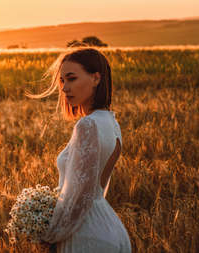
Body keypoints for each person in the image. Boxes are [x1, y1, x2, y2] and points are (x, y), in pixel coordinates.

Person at [27, 47, 132, 252]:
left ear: (96, 78)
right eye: (62, 81)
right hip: (109, 228)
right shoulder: (111, 123)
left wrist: (50, 234)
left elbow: (80, 197)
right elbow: (96, 189)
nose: (65, 88)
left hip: (86, 236)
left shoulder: (88, 125)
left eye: (72, 78)